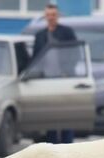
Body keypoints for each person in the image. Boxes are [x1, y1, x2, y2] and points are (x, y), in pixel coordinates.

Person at [33, 4, 77, 144]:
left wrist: (67, 71)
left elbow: (75, 53)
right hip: (47, 81)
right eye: (48, 15)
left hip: (65, 79)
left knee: (67, 114)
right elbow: (36, 58)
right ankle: (52, 145)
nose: (51, 18)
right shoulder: (40, 36)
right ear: (45, 16)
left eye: (53, 15)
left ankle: (67, 144)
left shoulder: (67, 32)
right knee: (50, 115)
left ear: (57, 16)